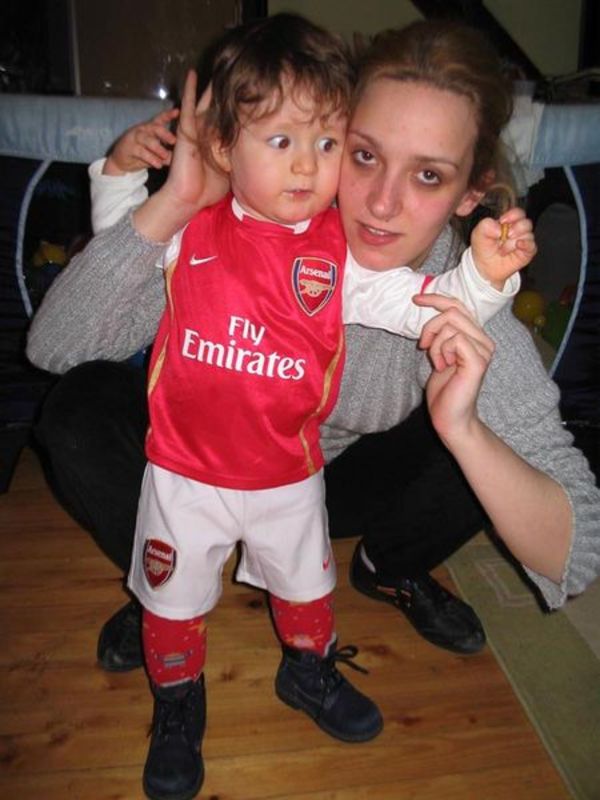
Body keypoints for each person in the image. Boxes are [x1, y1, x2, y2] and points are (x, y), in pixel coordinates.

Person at [27, 11, 599, 747]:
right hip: (199, 465)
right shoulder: (241, 220)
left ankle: (387, 567)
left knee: (477, 428)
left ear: (469, 193)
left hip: (318, 490)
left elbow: (574, 551)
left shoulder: (451, 296)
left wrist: (463, 430)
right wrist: (173, 204)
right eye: (363, 155)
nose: (382, 203)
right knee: (76, 410)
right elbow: (56, 348)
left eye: (428, 175)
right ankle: (161, 587)